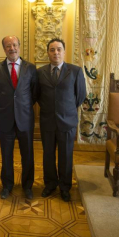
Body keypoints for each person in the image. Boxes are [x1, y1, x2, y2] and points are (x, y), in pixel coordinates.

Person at [36, 38, 86, 202]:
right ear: (48, 53)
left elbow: (80, 96)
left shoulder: (76, 71)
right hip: (47, 121)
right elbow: (37, 95)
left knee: (66, 156)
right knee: (48, 155)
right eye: (52, 50)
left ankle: (65, 187)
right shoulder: (40, 72)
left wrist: (66, 109)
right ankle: (50, 184)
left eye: (58, 49)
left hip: (67, 121)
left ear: (64, 52)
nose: (55, 52)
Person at [0, 35, 37, 200]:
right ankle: (7, 186)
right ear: (4, 49)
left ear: (19, 46)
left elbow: (34, 93)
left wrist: (22, 106)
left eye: (14, 45)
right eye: (8, 46)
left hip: (25, 119)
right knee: (6, 155)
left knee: (28, 155)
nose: (12, 48)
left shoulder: (30, 68)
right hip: (5, 119)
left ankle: (27, 186)